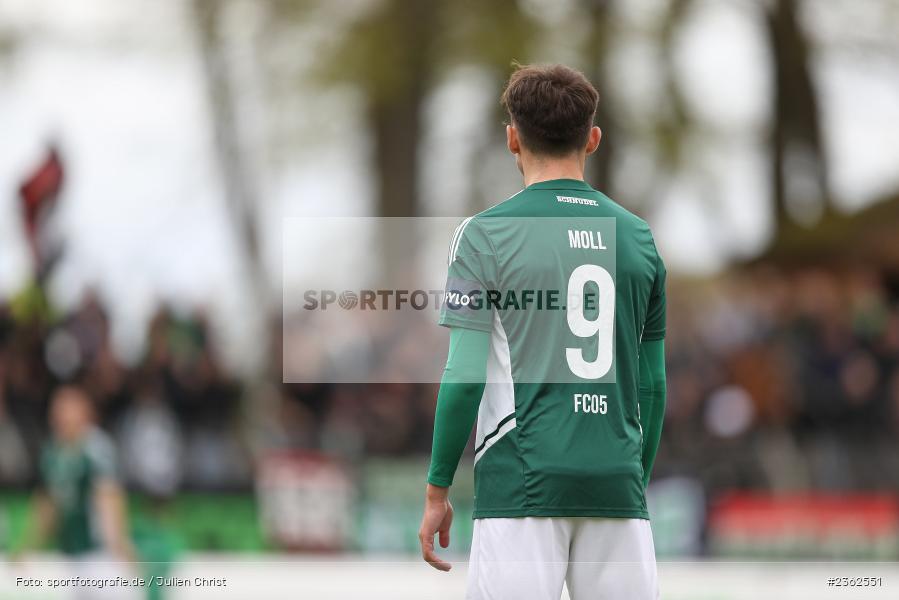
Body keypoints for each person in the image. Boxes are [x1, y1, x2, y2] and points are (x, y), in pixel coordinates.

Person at [419, 64, 667, 600]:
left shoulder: (483, 236)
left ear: (512, 138)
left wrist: (438, 487)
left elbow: (463, 378)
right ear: (593, 139)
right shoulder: (640, 238)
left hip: (522, 483)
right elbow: (654, 387)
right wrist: (632, 480)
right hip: (617, 487)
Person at [13, 385, 136, 599]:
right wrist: (28, 546)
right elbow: (48, 505)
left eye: (68, 409)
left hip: (99, 557)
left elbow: (109, 497)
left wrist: (119, 544)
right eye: (58, 409)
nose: (61, 416)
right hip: (69, 556)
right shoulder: (52, 453)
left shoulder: (96, 450)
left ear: (85, 412)